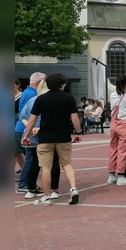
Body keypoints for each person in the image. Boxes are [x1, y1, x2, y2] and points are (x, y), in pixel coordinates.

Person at [20, 73, 82, 206]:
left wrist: (26, 135)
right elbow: (75, 118)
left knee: (45, 167)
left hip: (45, 137)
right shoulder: (69, 98)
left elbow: (32, 119)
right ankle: (73, 189)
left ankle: (47, 197)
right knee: (66, 164)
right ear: (62, 84)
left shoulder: (41, 99)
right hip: (63, 136)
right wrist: (78, 132)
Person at [19, 80, 62, 200]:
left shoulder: (32, 100)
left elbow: (23, 117)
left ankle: (31, 188)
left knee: (34, 162)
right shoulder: (49, 101)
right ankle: (53, 189)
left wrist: (30, 128)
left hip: (32, 136)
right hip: (47, 136)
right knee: (53, 162)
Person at [15, 72, 46, 188]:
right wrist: (32, 128)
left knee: (29, 158)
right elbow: (28, 116)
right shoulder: (32, 95)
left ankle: (27, 184)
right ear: (40, 83)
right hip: (27, 130)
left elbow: (22, 115)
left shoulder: (28, 93)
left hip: (24, 129)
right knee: (31, 159)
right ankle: (24, 184)